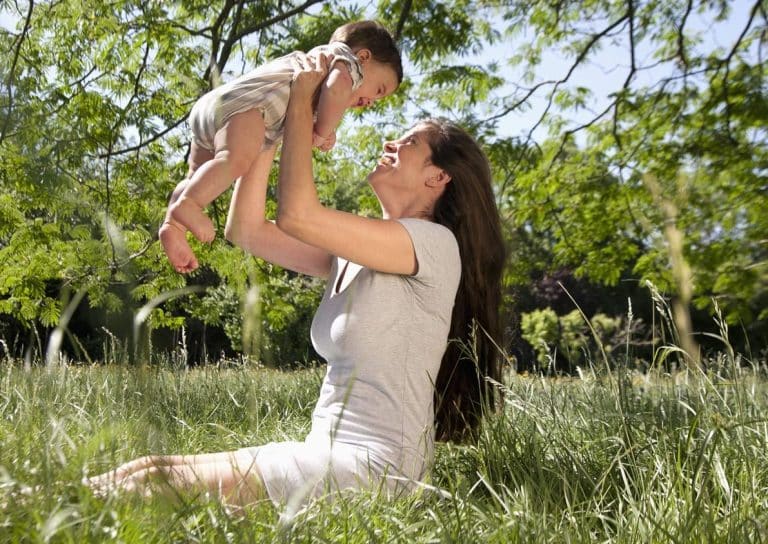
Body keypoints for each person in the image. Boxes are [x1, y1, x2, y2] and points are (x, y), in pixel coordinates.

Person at [87, 53, 506, 510]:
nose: (390, 142)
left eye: (408, 142)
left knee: (152, 489)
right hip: (324, 452)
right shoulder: (359, 251)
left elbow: (297, 215)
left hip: (380, 469)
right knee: (150, 469)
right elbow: (245, 229)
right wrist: (275, 124)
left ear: (437, 176)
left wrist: (305, 98)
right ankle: (30, 503)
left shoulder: (433, 246)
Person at [159, 20, 403, 274]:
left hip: (215, 108)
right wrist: (323, 131)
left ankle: (173, 225)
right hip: (247, 110)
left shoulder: (312, 65)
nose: (371, 102)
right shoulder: (346, 64)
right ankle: (190, 205)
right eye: (379, 89)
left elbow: (309, 108)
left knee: (196, 174)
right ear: (363, 57)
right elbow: (336, 90)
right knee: (235, 159)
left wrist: (316, 127)